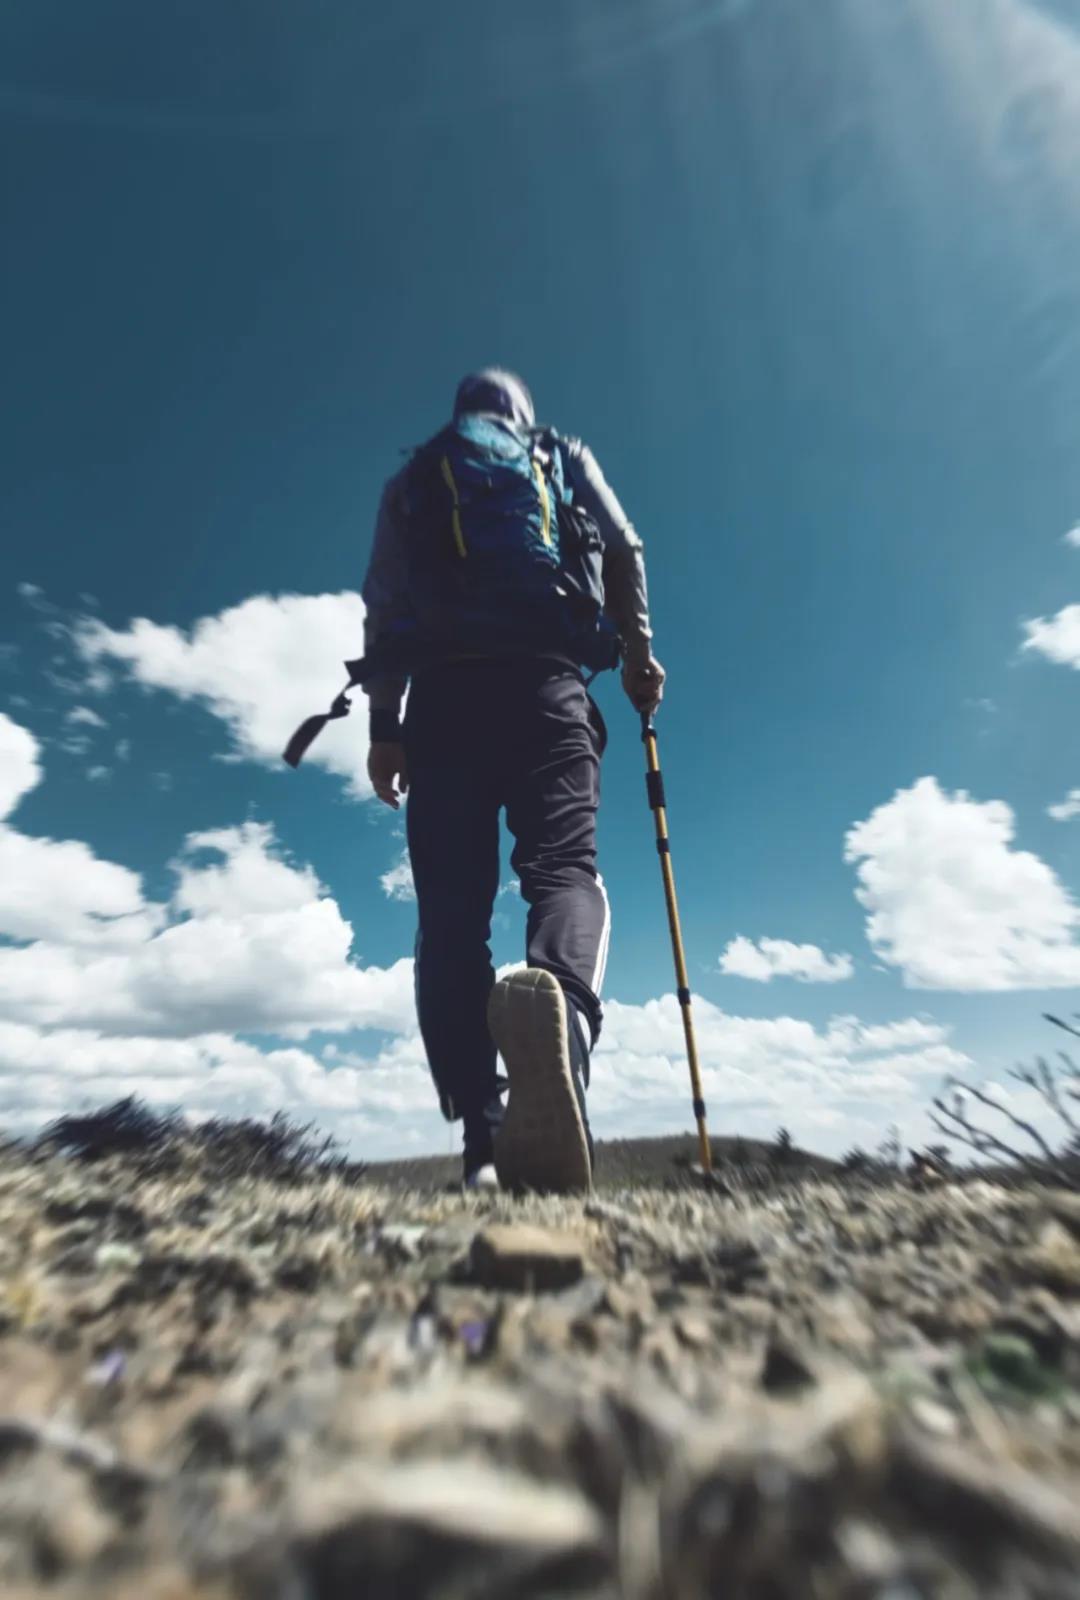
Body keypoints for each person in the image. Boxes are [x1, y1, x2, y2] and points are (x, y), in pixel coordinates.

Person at [362, 369, 664, 1193]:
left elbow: (385, 607)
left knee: (451, 920)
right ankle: (560, 1023)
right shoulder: (558, 454)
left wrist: (385, 729)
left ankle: (485, 1146)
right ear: (521, 412)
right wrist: (637, 656)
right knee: (564, 873)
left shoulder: (418, 476)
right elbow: (625, 547)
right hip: (548, 687)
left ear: (460, 412)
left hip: (444, 701)